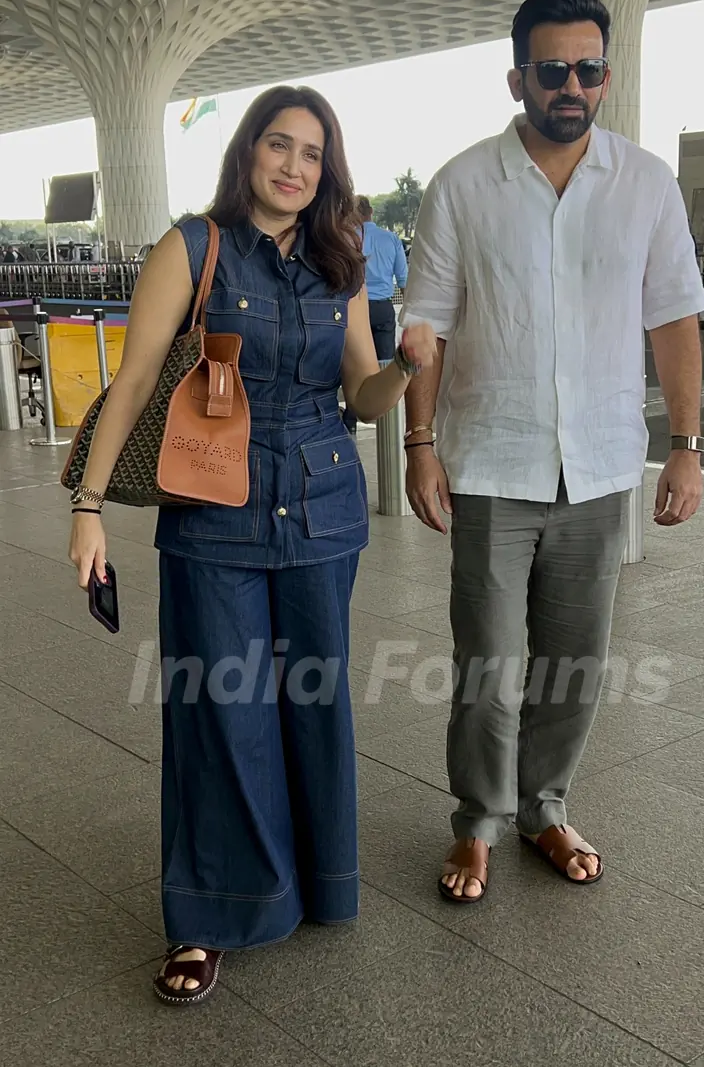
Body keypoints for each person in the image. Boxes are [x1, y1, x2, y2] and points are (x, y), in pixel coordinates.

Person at [68, 84, 436, 1002]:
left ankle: (313, 886)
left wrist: (407, 366)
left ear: (327, 170)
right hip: (213, 512)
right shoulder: (192, 245)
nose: (295, 167)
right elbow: (137, 376)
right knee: (219, 711)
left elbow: (359, 397)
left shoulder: (341, 261)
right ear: (247, 153)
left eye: (312, 154)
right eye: (279, 146)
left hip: (322, 512)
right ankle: (210, 915)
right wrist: (89, 505)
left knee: (311, 704)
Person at [401, 0, 704, 904]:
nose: (571, 84)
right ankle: (477, 822)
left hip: (601, 463)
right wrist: (419, 442)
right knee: (489, 669)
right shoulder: (465, 183)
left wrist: (687, 444)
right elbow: (429, 323)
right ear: (518, 77)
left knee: (576, 663)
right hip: (491, 463)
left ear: (606, 78)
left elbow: (674, 318)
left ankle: (543, 806)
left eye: (589, 68)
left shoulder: (646, 182)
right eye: (552, 68)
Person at [341, 195, 408, 434]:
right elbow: (403, 279)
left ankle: (349, 420)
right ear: (371, 213)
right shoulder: (391, 239)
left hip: (351, 306)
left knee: (351, 366)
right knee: (386, 364)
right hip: (382, 307)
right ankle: (388, 421)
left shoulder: (345, 239)